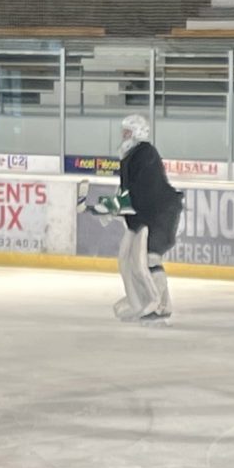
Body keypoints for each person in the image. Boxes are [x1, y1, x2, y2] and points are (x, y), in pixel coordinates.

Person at [96, 111, 183, 322]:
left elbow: (143, 191)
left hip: (161, 213)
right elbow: (129, 191)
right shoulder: (130, 156)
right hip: (148, 214)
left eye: (128, 131)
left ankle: (158, 304)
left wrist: (118, 205)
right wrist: (114, 207)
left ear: (137, 132)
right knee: (132, 259)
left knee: (149, 258)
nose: (124, 135)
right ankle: (152, 303)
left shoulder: (145, 153)